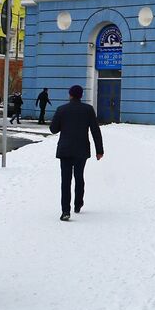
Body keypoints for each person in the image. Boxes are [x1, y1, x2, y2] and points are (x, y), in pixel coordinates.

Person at [49, 84, 103, 221]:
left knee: (65, 181)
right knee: (79, 177)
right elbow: (95, 130)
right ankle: (78, 204)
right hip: (81, 150)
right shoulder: (88, 110)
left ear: (70, 95)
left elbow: (53, 129)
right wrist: (99, 150)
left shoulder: (62, 109)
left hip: (65, 150)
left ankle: (65, 211)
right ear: (81, 95)